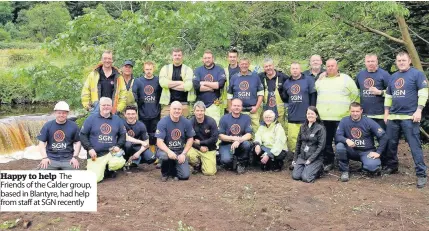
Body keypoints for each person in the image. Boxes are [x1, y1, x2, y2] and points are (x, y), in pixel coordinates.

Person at [384, 51, 428, 188]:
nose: (401, 62)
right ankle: (392, 166)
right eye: (399, 60)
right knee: (391, 144)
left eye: (403, 60)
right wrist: (386, 113)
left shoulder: (417, 74)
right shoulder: (393, 77)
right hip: (393, 117)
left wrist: (419, 110)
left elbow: (423, 93)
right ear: (396, 62)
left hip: (410, 117)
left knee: (414, 146)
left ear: (409, 60)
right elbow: (388, 96)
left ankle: (421, 174)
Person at [315, 58, 359, 172]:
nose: (330, 68)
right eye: (328, 66)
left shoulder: (346, 79)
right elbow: (315, 93)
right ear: (325, 67)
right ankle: (328, 162)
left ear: (337, 66)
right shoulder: (320, 79)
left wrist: (350, 111)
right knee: (326, 141)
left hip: (341, 118)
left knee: (341, 141)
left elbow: (355, 95)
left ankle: (343, 162)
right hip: (324, 117)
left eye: (332, 66)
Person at [335, 102, 388, 182]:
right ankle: (344, 171)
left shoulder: (368, 121)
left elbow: (383, 136)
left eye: (357, 111)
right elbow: (338, 136)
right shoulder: (344, 121)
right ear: (349, 111)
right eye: (353, 111)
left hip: (366, 151)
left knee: (372, 167)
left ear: (361, 111)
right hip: (351, 151)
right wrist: (346, 140)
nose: (355, 113)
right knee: (339, 146)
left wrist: (378, 152)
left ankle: (366, 165)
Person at [80, 97, 127, 182]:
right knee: (94, 179)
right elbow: (83, 135)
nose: (106, 107)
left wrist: (118, 146)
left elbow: (123, 135)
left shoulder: (117, 119)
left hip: (111, 152)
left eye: (108, 105)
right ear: (99, 106)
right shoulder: (91, 119)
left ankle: (109, 168)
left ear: (112, 106)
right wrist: (89, 148)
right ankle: (104, 170)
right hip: (96, 154)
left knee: (118, 163)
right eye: (103, 105)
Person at [355, 54, 390, 167]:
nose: (370, 63)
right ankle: (369, 162)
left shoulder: (384, 74)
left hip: (380, 114)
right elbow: (356, 90)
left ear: (377, 61)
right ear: (365, 62)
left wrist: (380, 92)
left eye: (373, 61)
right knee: (366, 140)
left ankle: (387, 163)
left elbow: (393, 92)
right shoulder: (360, 75)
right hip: (364, 114)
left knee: (383, 139)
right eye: (368, 61)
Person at [155, 101, 195, 181]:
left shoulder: (186, 122)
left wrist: (184, 153)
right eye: (174, 109)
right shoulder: (163, 122)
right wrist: (169, 152)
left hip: (180, 151)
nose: (177, 111)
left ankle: (174, 169)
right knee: (165, 156)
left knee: (185, 176)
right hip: (165, 150)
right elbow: (159, 142)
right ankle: (165, 173)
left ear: (181, 110)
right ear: (170, 109)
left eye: (179, 109)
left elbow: (190, 138)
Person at [283, 62, 316, 156]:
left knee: (307, 137)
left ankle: (307, 155)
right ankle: (295, 156)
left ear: (300, 69)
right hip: (292, 115)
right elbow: (285, 96)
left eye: (296, 68)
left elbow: (313, 95)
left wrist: (312, 111)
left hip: (306, 115)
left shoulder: (308, 80)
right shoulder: (287, 82)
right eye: (293, 68)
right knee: (293, 137)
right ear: (290, 70)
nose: (295, 70)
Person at [37, 101, 81, 170]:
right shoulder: (48, 125)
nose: (61, 115)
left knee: (77, 177)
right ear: (55, 113)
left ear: (67, 113)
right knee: (40, 176)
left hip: (68, 159)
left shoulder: (73, 126)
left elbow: (78, 142)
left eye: (64, 113)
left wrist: (75, 157)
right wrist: (44, 158)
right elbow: (41, 142)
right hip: (51, 159)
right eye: (59, 113)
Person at [81, 50, 127, 115]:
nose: (107, 61)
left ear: (112, 60)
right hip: (96, 109)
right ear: (101, 60)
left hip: (113, 110)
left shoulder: (118, 76)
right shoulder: (93, 74)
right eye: (105, 58)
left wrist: (118, 109)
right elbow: (86, 91)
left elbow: (123, 94)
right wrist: (87, 106)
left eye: (109, 59)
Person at [227, 58, 264, 132]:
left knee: (256, 131)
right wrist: (231, 108)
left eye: (246, 64)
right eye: (242, 64)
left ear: (249, 65)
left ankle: (256, 144)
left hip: (253, 110)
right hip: (238, 111)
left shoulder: (255, 77)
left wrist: (256, 107)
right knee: (239, 131)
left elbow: (261, 94)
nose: (244, 66)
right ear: (239, 65)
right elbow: (229, 95)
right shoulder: (234, 77)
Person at [292, 106, 326, 183]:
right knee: (295, 176)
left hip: (315, 158)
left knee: (306, 178)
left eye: (312, 114)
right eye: (308, 113)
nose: (310, 115)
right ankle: (306, 168)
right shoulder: (302, 127)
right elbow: (298, 143)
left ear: (316, 115)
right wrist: (295, 159)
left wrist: (310, 159)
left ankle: (319, 169)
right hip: (302, 157)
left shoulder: (320, 128)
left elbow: (321, 147)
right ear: (306, 115)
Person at [219, 98, 253, 174]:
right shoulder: (224, 118)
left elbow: (249, 135)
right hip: (226, 144)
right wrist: (233, 138)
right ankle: (232, 161)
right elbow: (220, 136)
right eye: (234, 105)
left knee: (247, 144)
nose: (236, 107)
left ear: (241, 107)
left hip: (240, 144)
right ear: (231, 106)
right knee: (226, 160)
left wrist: (238, 140)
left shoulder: (246, 118)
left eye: (239, 106)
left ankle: (241, 162)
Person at [159, 48, 195, 118]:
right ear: (172, 56)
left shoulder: (188, 69)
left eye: (179, 55)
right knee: (165, 127)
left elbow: (188, 86)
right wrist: (180, 82)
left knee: (184, 127)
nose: (177, 57)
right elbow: (163, 83)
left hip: (184, 104)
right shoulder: (165, 68)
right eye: (175, 55)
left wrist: (169, 85)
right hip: (168, 105)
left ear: (182, 56)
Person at [193, 50, 226, 124]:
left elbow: (220, 84)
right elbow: (196, 85)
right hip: (200, 104)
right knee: (200, 128)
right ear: (202, 59)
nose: (207, 60)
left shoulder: (219, 69)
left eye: (209, 58)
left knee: (214, 125)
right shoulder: (198, 70)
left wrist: (203, 82)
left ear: (213, 59)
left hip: (214, 103)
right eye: (205, 58)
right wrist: (212, 87)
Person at [133, 61, 162, 146]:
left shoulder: (158, 81)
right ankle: (145, 154)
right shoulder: (138, 81)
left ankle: (153, 155)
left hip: (155, 114)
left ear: (153, 69)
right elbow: (134, 95)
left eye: (150, 69)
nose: (148, 71)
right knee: (143, 135)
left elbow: (162, 95)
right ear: (143, 69)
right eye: (146, 69)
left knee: (154, 135)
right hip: (143, 114)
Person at [187, 101, 219, 176]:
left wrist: (201, 143)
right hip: (195, 147)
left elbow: (214, 138)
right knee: (187, 154)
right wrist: (199, 147)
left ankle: (204, 163)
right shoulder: (190, 123)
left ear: (204, 111)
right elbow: (189, 139)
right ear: (194, 111)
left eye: (201, 111)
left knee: (210, 172)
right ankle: (196, 164)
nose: (199, 113)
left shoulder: (211, 121)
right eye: (197, 110)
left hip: (209, 148)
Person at [258, 58, 289, 131]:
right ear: (263, 68)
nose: (268, 68)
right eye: (266, 66)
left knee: (280, 130)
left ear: (273, 66)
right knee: (266, 129)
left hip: (280, 112)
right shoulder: (259, 77)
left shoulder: (283, 77)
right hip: (265, 111)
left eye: (270, 66)